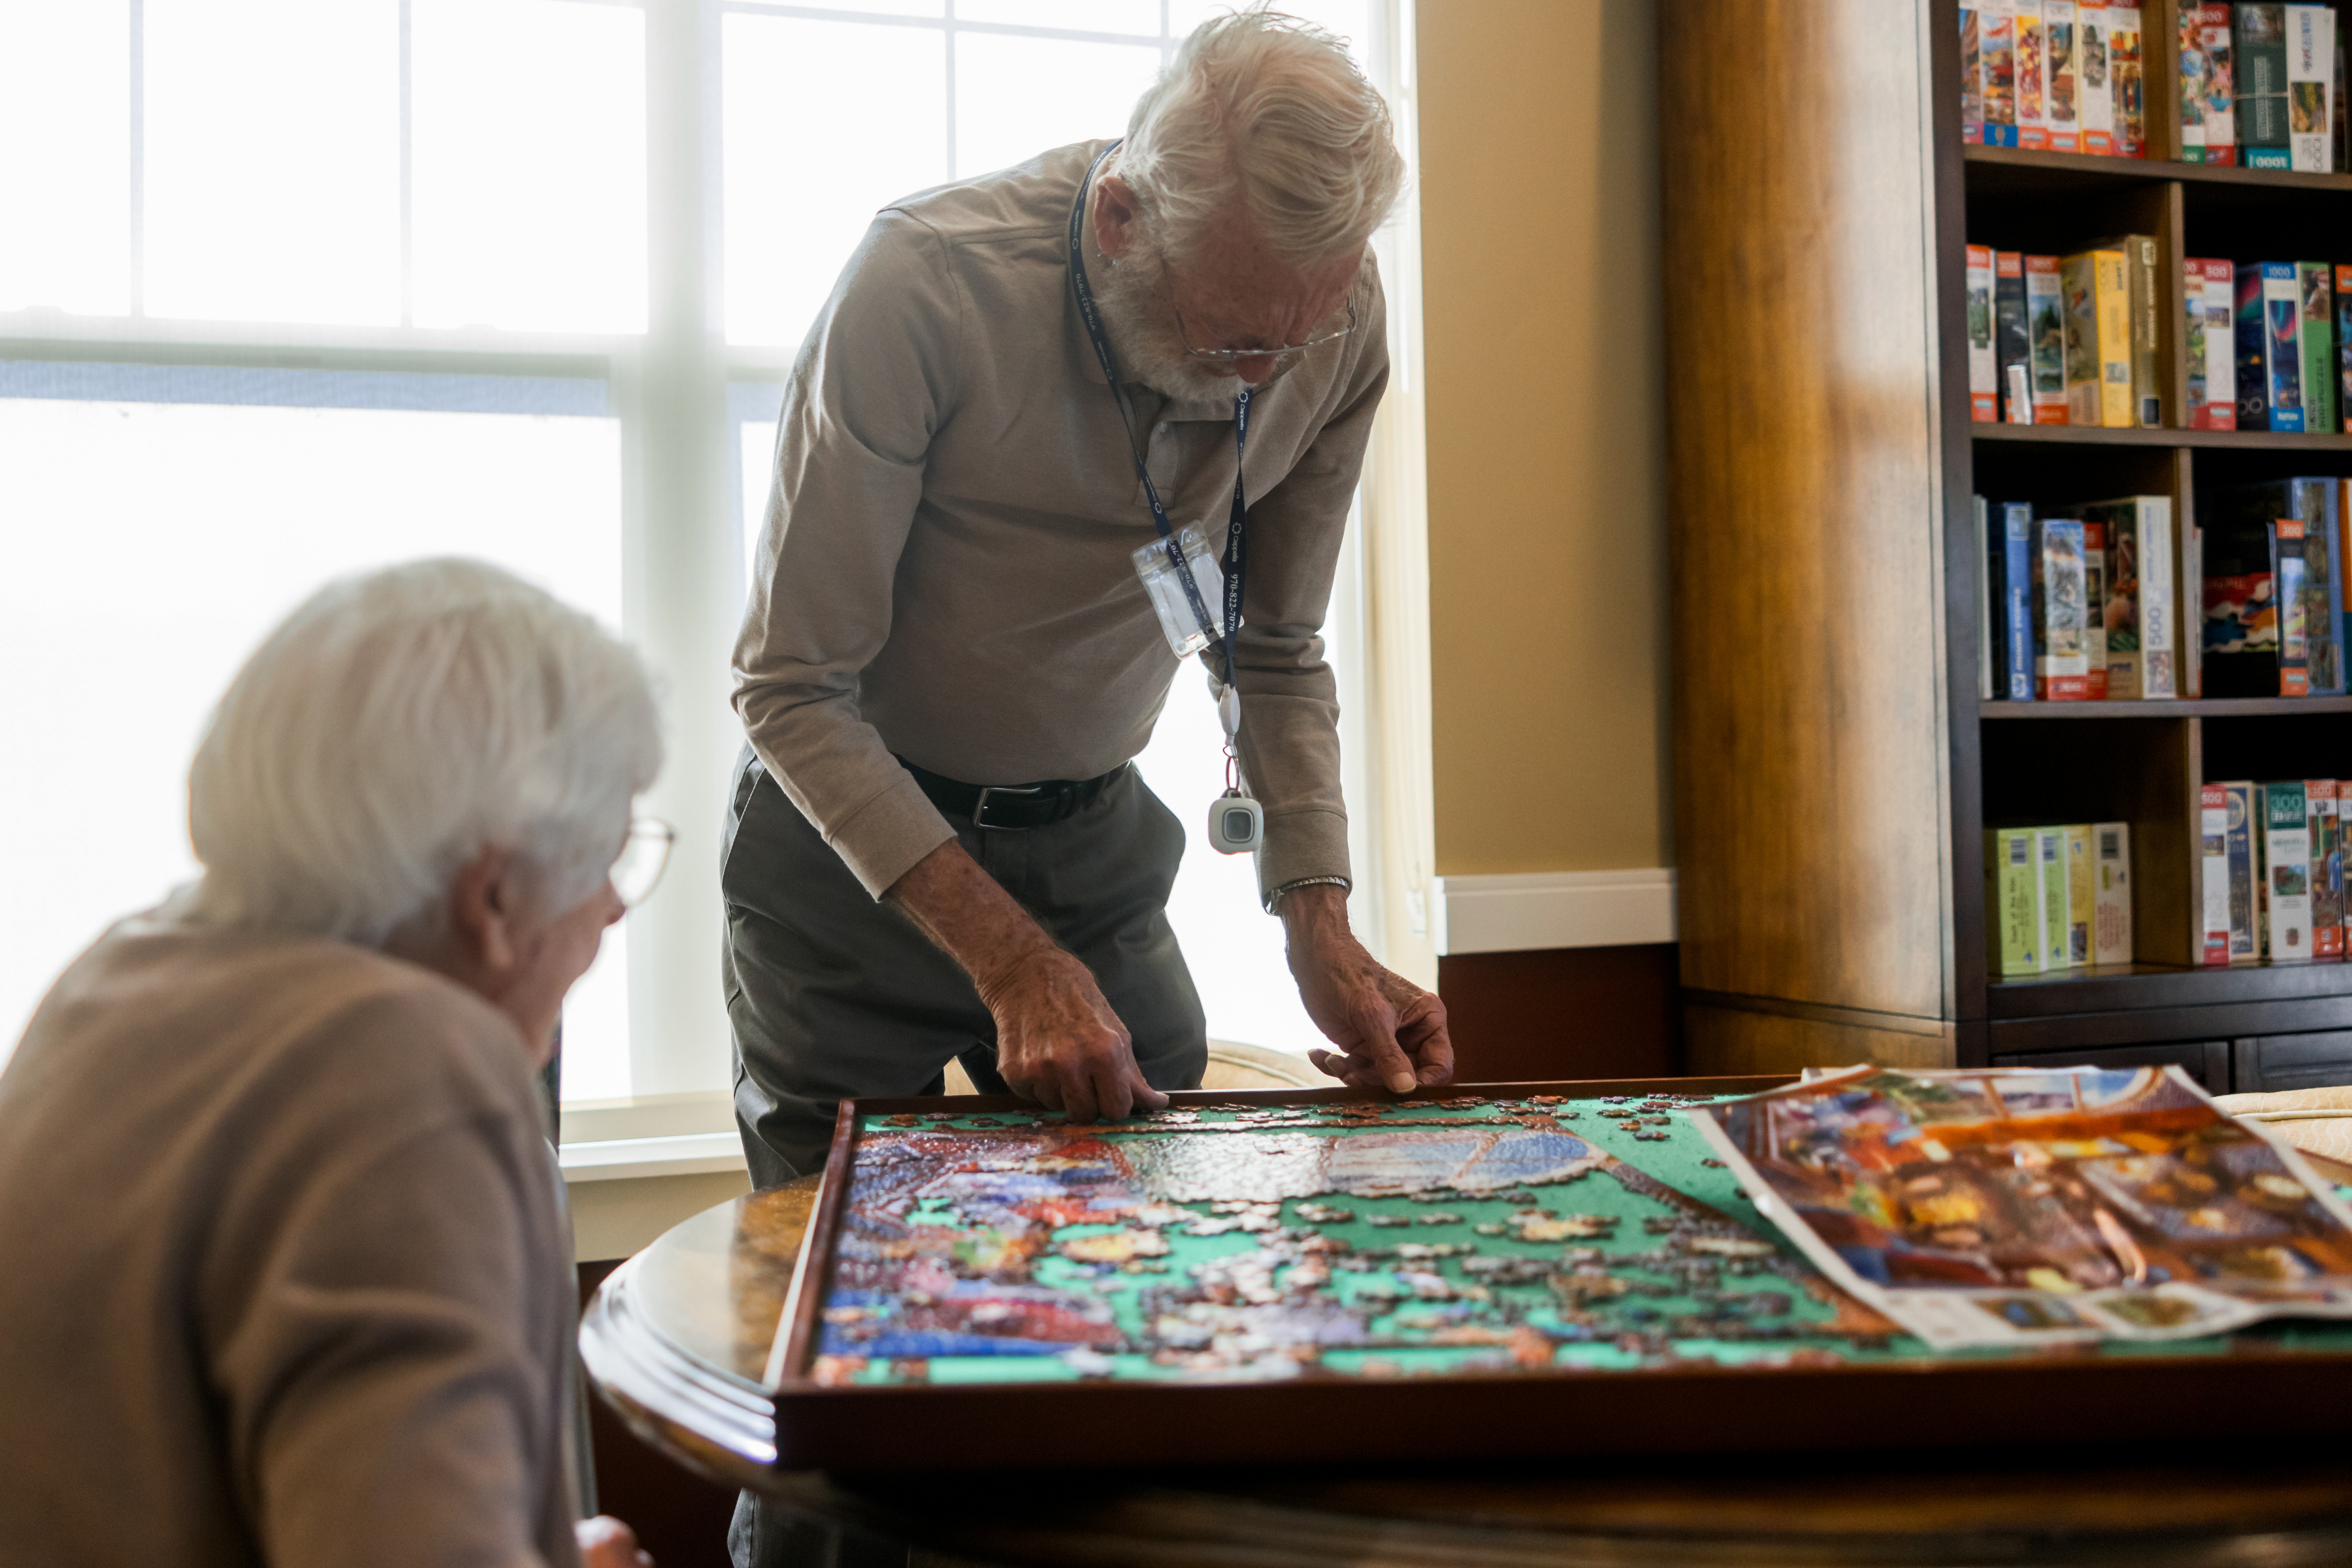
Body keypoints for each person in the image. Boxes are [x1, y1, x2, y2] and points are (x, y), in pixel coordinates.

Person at [725, 7, 1454, 1195]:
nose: (1264, 381)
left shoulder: (1331, 316)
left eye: (1296, 342)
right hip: (849, 854)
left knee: (1145, 1243)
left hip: (1094, 841)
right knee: (840, 1265)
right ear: (1121, 220)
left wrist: (1315, 923)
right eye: (1229, 346)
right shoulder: (925, 282)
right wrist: (1014, 965)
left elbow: (1270, 648)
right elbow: (791, 685)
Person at [0, 559, 664, 1568]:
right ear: (492, 900)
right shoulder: (404, 1079)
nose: (614, 907)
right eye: (607, 861)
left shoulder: (113, 980)